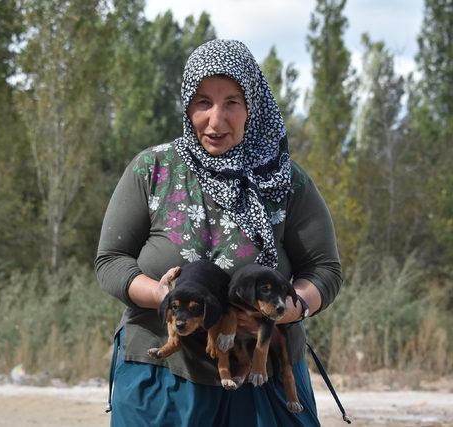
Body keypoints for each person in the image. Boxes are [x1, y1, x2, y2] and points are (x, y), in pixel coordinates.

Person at [95, 39, 341, 426]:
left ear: (253, 107)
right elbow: (110, 262)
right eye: (203, 102)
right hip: (160, 382)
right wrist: (161, 295)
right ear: (187, 106)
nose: (215, 120)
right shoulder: (152, 170)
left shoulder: (287, 182)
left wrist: (292, 310)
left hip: (263, 382)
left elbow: (324, 269)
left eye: (232, 102)